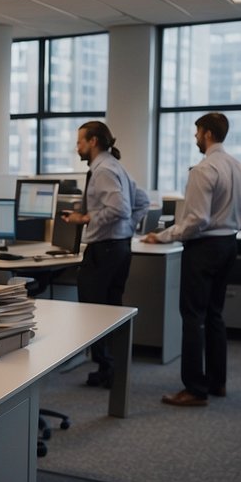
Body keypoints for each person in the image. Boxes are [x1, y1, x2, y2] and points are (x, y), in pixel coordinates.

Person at [144, 112, 241, 407]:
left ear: (206, 133)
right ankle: (217, 382)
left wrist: (163, 236)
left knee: (193, 317)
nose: (195, 138)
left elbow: (196, 220)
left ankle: (194, 389)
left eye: (196, 133)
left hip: (204, 248)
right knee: (215, 315)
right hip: (229, 244)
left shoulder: (203, 169)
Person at [59, 121, 149, 388]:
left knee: (93, 312)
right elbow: (141, 202)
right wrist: (128, 229)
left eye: (80, 142)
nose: (77, 147)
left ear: (94, 141)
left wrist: (86, 217)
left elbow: (120, 208)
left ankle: (107, 368)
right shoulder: (115, 167)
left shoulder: (103, 171)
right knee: (110, 309)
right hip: (119, 247)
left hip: (105, 248)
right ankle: (111, 368)